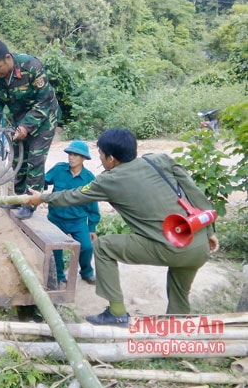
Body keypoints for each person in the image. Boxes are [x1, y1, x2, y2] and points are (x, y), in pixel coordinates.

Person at [27, 128, 219, 327]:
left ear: (111, 158)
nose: (100, 159)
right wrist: (209, 230)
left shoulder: (109, 180)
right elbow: (194, 192)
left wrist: (41, 198)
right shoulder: (159, 160)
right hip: (198, 243)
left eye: (101, 154)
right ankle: (176, 329)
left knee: (102, 246)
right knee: (179, 287)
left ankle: (116, 313)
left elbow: (71, 196)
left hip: (169, 246)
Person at [0, 39, 61, 220]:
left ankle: (30, 202)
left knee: (35, 159)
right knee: (18, 158)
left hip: (44, 119)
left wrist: (26, 126)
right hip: (17, 121)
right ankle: (19, 197)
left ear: (8, 58)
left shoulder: (31, 67)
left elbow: (45, 101)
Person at [45, 140, 100, 288]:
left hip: (78, 221)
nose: (71, 158)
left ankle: (86, 272)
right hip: (55, 219)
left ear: (83, 158)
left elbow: (92, 204)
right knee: (56, 249)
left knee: (87, 247)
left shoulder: (89, 178)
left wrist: (92, 227)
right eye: (70, 154)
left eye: (75, 155)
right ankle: (60, 275)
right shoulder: (58, 169)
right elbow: (43, 181)